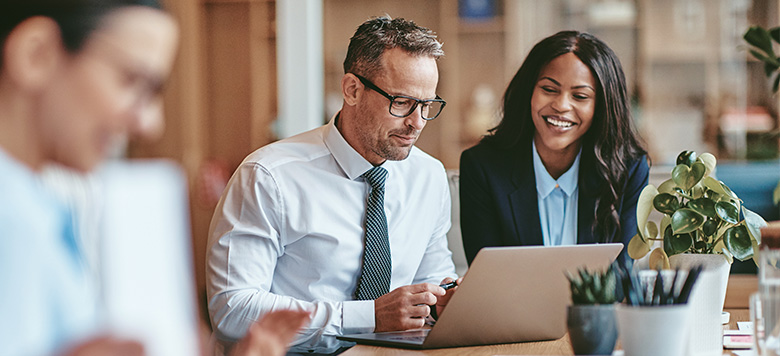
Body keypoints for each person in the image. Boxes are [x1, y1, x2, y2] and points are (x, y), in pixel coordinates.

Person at [0, 1, 307, 355]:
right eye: (132, 81)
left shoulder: (47, 206)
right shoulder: (14, 220)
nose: (150, 124)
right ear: (36, 55)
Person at [206, 15, 460, 354]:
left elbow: (432, 277)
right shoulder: (268, 176)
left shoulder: (428, 176)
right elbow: (232, 310)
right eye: (401, 103)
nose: (416, 123)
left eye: (427, 105)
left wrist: (445, 300)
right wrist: (366, 316)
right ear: (352, 90)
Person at [459, 31, 649, 264]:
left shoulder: (628, 169)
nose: (561, 105)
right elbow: (487, 276)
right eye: (549, 90)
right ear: (529, 91)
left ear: (602, 107)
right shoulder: (482, 168)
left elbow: (621, 278)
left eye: (580, 96)